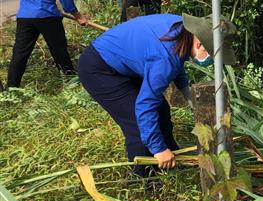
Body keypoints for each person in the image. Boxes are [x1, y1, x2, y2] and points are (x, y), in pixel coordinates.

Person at [77, 13, 237, 177]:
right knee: (137, 124)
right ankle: (143, 179)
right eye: (214, 54)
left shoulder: (183, 30)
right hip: (99, 69)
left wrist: (186, 92)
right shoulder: (165, 59)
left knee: (161, 108)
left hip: (124, 63)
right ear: (200, 45)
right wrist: (158, 149)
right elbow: (144, 106)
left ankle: (172, 156)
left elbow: (178, 59)